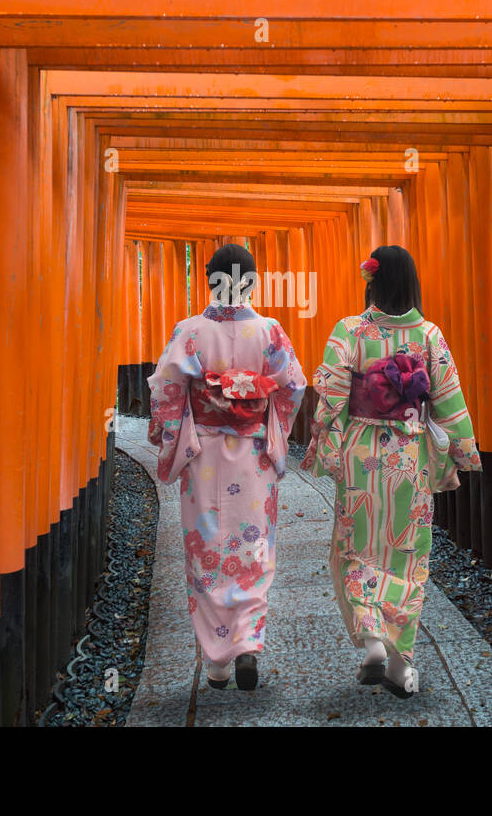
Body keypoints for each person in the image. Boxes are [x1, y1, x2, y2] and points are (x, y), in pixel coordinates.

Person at [302, 245, 482, 698]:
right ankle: (402, 665)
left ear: (372, 282)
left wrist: (324, 447)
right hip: (410, 459)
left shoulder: (349, 330)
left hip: (361, 455)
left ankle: (371, 639)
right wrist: (464, 453)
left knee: (355, 548)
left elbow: (330, 398)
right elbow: (449, 403)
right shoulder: (429, 335)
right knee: (407, 556)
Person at [146, 244, 307, 690]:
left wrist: (170, 432)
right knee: (253, 549)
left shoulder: (190, 332)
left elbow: (166, 389)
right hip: (253, 455)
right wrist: (269, 421)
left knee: (207, 551)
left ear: (208, 279)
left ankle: (216, 660)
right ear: (252, 282)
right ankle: (248, 643)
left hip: (204, 454)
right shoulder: (271, 331)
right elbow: (292, 386)